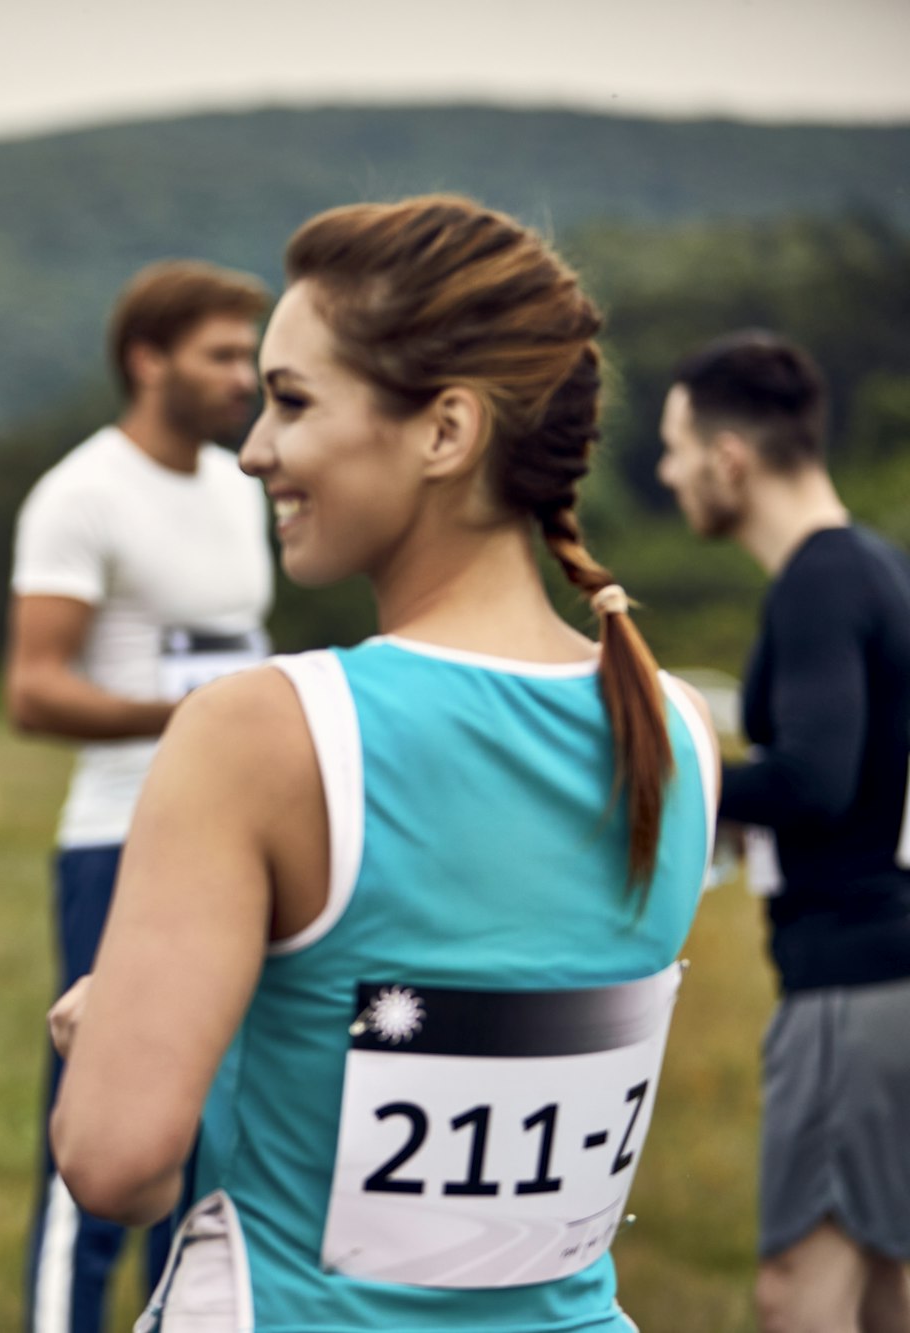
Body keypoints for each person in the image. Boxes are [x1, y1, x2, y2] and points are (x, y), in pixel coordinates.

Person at [46, 196, 721, 1330]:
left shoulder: (262, 730)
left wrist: (120, 1039)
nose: (254, 448)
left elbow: (117, 1167)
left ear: (445, 431)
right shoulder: (675, 727)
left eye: (293, 400)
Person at [5, 259, 274, 1333]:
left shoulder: (239, 486)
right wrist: (199, 718)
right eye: (222, 354)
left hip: (239, 842)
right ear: (147, 360)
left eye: (250, 354)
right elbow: (33, 689)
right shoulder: (82, 493)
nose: (245, 377)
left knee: (206, 1133)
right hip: (120, 838)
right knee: (102, 1120)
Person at [657, 331, 910, 1331]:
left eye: (675, 449)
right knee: (885, 1284)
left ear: (730, 459)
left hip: (849, 981)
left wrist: (665, 772)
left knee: (798, 1288)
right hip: (887, 972)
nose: (666, 472)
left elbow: (812, 778)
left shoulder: (817, 581)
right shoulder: (876, 565)